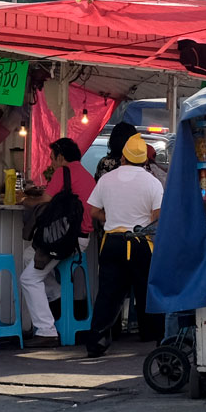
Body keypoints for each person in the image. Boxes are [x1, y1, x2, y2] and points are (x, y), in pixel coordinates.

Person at [82, 133, 163, 358]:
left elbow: (94, 211)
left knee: (108, 294)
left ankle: (96, 341)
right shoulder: (152, 182)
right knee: (147, 292)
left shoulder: (107, 179)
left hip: (113, 242)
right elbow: (157, 217)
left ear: (123, 158)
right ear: (145, 160)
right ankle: (155, 338)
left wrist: (113, 217)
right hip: (141, 243)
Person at [20, 137, 95, 344]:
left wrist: (26, 200)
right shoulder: (86, 175)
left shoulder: (64, 171)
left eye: (52, 158)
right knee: (29, 256)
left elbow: (45, 200)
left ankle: (46, 330)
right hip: (80, 238)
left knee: (29, 279)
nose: (51, 163)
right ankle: (57, 293)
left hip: (65, 239)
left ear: (61, 157)